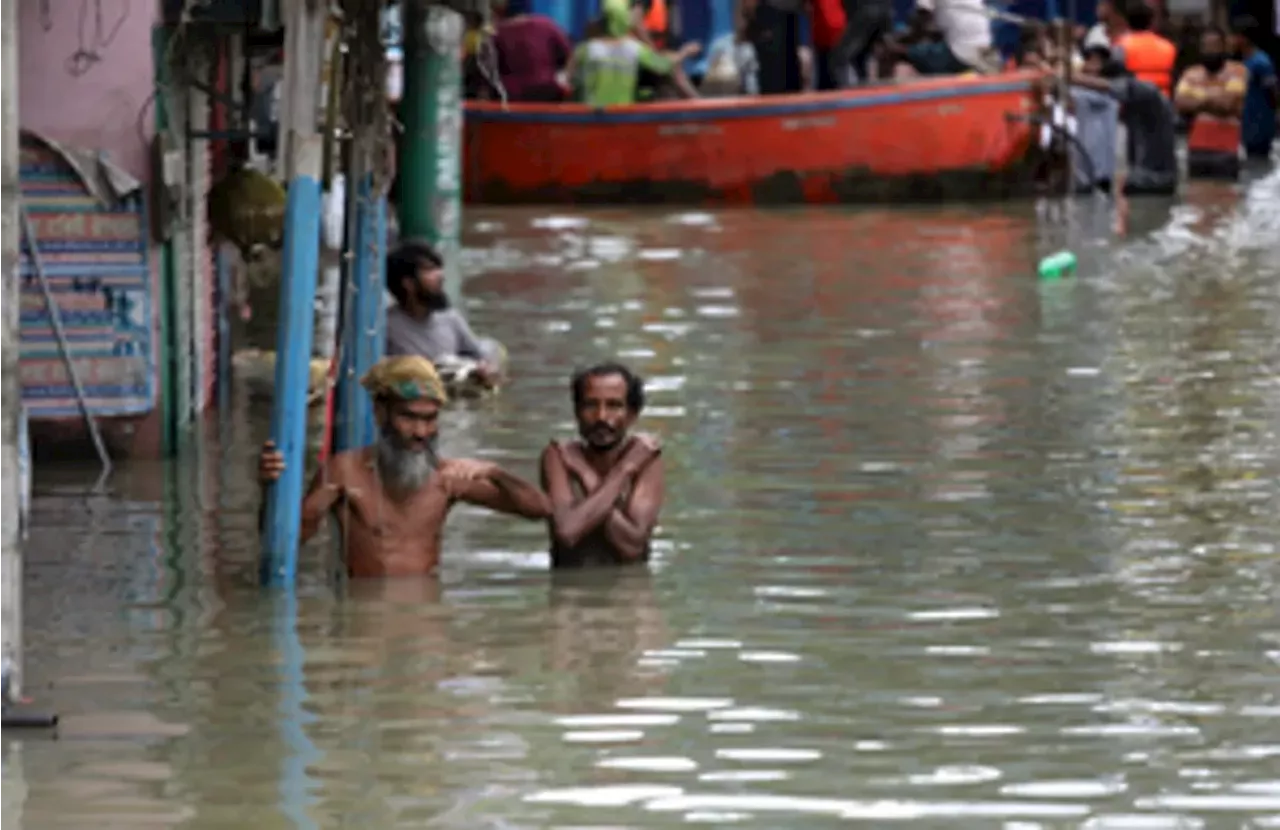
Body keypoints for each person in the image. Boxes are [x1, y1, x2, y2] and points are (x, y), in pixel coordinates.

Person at [257, 356, 549, 578]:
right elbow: (286, 543)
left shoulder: (447, 478)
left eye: (430, 418)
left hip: (428, 625)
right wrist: (270, 488)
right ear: (381, 413)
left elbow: (539, 510)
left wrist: (493, 472)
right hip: (366, 627)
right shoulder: (343, 473)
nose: (421, 431)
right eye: (409, 418)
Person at [539, 363, 665, 568]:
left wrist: (589, 474)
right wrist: (623, 472)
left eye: (614, 406)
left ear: (632, 414)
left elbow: (632, 547)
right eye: (590, 405)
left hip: (630, 591)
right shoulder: (558, 455)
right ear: (577, 411)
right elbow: (568, 532)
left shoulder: (645, 459)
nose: (601, 417)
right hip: (570, 589)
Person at [384, 239, 500, 388]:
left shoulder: (450, 319)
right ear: (408, 284)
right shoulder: (387, 327)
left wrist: (486, 369)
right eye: (429, 270)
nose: (441, 276)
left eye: (438, 269)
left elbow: (482, 353)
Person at [1069, 53, 1177, 196]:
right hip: (1146, 177)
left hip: (1154, 178)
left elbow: (1112, 86)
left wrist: (1069, 77)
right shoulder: (1139, 101)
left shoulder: (1146, 91)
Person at [570, 0, 700, 105]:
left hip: (588, 117)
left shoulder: (583, 50)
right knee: (674, 73)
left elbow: (566, 80)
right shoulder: (633, 49)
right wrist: (685, 52)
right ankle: (703, 111)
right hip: (621, 117)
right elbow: (664, 65)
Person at [1174, 26, 1247, 178]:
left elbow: (1227, 104)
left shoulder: (1237, 71)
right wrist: (1214, 98)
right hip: (1197, 149)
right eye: (1206, 47)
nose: (1209, 51)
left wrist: (1197, 98)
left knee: (1227, 196)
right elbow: (1180, 103)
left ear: (1223, 47)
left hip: (1226, 149)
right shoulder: (1191, 73)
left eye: (1214, 46)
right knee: (1196, 196)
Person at [490, 0, 574, 102]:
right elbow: (570, 55)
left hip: (512, 96)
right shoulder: (546, 25)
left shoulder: (497, 33)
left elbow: (490, 68)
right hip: (547, 91)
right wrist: (563, 79)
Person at [1071, 44, 1120, 194]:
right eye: (1088, 61)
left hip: (1102, 171)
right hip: (1083, 171)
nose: (1090, 66)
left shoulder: (1110, 93)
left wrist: (1063, 74)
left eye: (1095, 62)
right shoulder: (1079, 92)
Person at [1232, 16, 1277, 161]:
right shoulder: (1243, 61)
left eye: (1235, 36)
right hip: (1247, 124)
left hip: (1260, 125)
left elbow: (1273, 91)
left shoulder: (1261, 62)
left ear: (1243, 38)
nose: (1232, 40)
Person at [1115, 1, 1175, 97]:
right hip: (1162, 100)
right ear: (1150, 21)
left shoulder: (1120, 45)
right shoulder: (1167, 46)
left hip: (1133, 102)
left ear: (1127, 22)